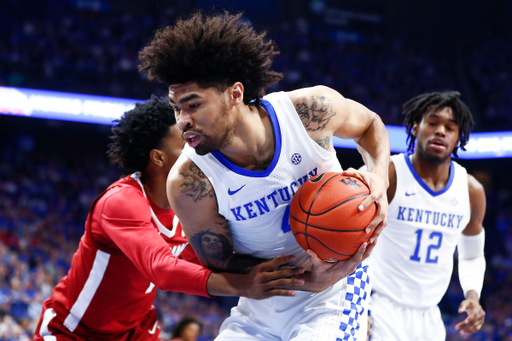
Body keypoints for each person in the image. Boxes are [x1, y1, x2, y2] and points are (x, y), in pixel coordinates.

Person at [138, 12, 390, 340]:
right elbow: (220, 259)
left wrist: (379, 176)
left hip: (336, 287)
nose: (182, 120)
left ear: (235, 94)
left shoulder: (308, 112)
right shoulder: (189, 182)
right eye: (176, 108)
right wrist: (293, 277)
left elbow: (370, 124)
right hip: (263, 303)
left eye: (193, 105)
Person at [33, 96, 305, 341]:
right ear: (158, 157)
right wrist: (244, 285)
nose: (197, 148)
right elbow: (162, 270)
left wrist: (291, 266)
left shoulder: (186, 206)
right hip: (75, 332)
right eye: (185, 142)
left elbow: (213, 260)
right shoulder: (121, 202)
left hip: (133, 332)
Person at [369, 91, 486, 340]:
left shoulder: (471, 191)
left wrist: (473, 295)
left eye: (450, 127)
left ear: (458, 138)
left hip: (430, 317)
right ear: (415, 128)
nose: (440, 131)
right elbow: (346, 240)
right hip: (378, 308)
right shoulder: (388, 174)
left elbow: (473, 255)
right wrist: (355, 303)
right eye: (432, 123)